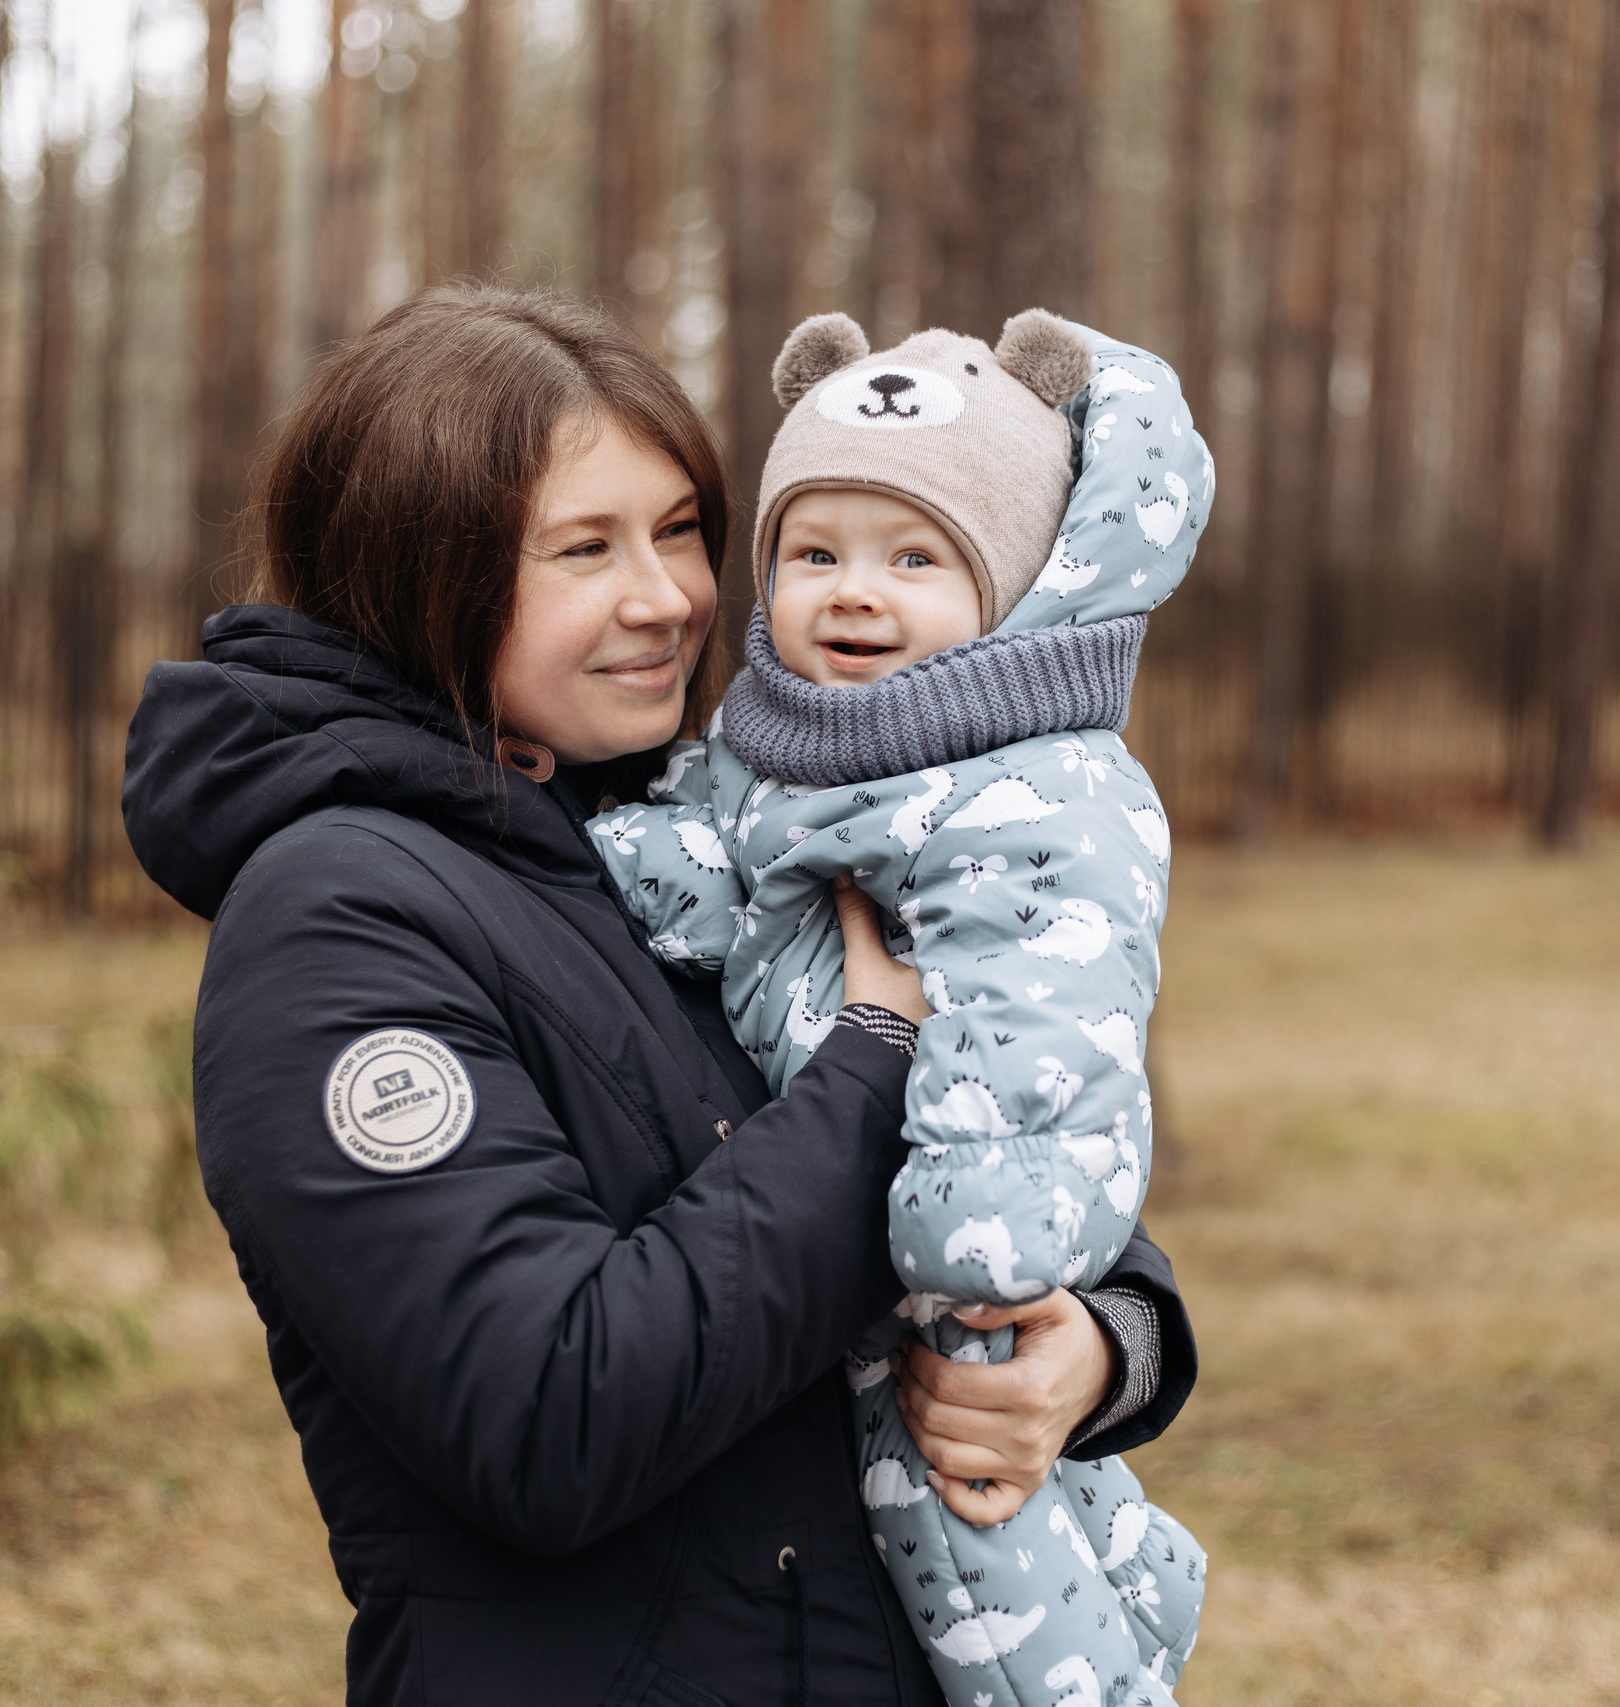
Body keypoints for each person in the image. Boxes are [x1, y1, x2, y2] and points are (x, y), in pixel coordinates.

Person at [120, 286, 1197, 1707]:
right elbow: (544, 1414)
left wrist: (1099, 1349)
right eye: (586, 549)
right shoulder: (339, 920)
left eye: (682, 529)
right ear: (414, 572)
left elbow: (1015, 1144)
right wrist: (879, 1061)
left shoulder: (695, 824)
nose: (672, 597)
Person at [587, 310, 1210, 1706]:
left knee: (974, 1531)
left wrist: (984, 1221)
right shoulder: (797, 744)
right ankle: (1126, 1581)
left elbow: (1042, 1026)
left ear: (1015, 587)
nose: (854, 595)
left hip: (968, 1234)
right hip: (848, 1246)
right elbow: (731, 877)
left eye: (914, 558)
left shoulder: (1035, 788)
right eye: (816, 555)